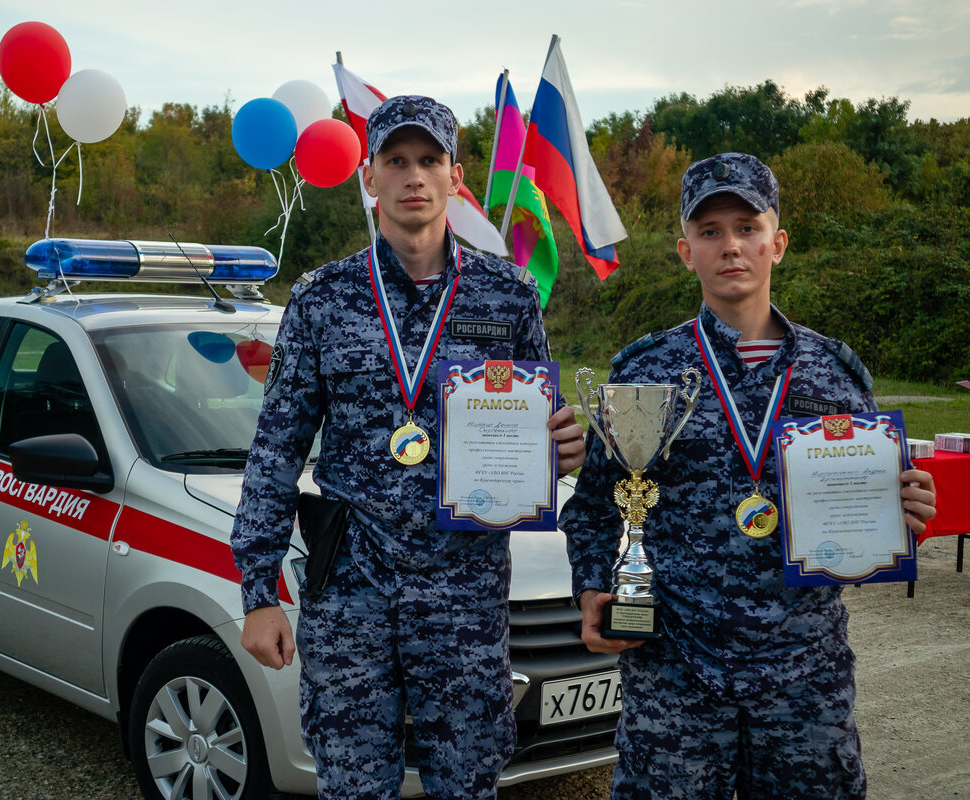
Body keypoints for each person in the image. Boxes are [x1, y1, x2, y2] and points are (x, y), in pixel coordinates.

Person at [231, 95, 586, 800]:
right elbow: (276, 448)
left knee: (467, 784)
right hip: (351, 590)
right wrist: (258, 593)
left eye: (429, 160)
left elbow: (533, 430)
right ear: (369, 177)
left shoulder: (507, 296)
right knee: (355, 785)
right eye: (396, 160)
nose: (413, 176)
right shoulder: (323, 299)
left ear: (456, 176)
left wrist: (558, 449)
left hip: (464, 591)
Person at [560, 152, 938, 799]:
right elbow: (596, 505)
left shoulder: (836, 374)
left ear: (777, 242)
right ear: (686, 251)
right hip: (676, 671)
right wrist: (596, 584)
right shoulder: (646, 373)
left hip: (803, 675)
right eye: (710, 231)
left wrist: (904, 516)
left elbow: (876, 511)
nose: (730, 245)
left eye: (747, 226)